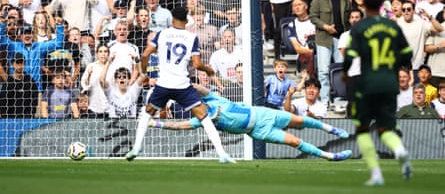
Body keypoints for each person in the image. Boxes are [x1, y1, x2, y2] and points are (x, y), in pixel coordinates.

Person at [125, 7, 234, 163]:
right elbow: (196, 65)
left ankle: (136, 147)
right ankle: (222, 153)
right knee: (204, 117)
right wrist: (208, 69)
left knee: (147, 114)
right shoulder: (191, 37)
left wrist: (143, 72)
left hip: (163, 84)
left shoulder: (161, 34)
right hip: (183, 85)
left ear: (172, 18)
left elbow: (145, 54)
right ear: (186, 19)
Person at [148, 83, 353, 162]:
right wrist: (156, 124)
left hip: (262, 113)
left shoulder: (212, 99)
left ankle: (331, 128)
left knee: (300, 120)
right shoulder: (202, 119)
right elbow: (180, 126)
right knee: (294, 142)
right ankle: (330, 156)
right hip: (257, 130)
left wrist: (183, 85)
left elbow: (200, 88)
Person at [344, 0, 413, 186]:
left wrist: (346, 73)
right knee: (386, 129)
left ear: (363, 1)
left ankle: (376, 174)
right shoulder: (392, 25)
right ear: (384, 2)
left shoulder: (360, 27)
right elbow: (408, 54)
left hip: (367, 83)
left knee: (363, 130)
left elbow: (349, 55)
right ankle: (400, 150)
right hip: (390, 83)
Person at [310, 0, 351, 105]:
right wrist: (326, 27)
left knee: (340, 69)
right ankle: (325, 99)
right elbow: (313, 17)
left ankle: (340, 97)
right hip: (324, 38)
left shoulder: (346, 1)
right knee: (323, 70)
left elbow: (349, 19)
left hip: (341, 39)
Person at [99, 52, 145, 119]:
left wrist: (137, 60)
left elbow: (143, 75)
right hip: (113, 126)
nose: (121, 78)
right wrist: (108, 62)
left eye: (124, 76)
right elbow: (101, 80)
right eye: (119, 77)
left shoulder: (134, 90)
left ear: (129, 79)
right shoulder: (111, 91)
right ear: (115, 80)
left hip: (130, 125)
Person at [0, 52, 38, 118]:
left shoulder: (30, 81)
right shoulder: (7, 83)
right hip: (11, 121)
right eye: (17, 63)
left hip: (27, 120)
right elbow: (3, 105)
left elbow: (34, 102)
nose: (20, 65)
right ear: (12, 64)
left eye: (22, 63)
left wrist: (29, 117)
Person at [287, 0, 316, 78]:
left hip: (320, 51)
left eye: (299, 4)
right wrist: (312, 52)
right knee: (313, 57)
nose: (297, 7)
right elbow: (297, 48)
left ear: (306, 6)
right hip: (305, 54)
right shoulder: (292, 25)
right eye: (294, 6)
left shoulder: (316, 20)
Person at [80, 43, 111, 118]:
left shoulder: (113, 67)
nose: (103, 54)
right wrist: (89, 75)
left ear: (109, 54)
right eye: (100, 51)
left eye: (105, 51)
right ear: (97, 54)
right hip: (94, 106)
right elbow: (85, 85)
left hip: (110, 107)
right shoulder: (91, 66)